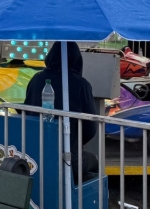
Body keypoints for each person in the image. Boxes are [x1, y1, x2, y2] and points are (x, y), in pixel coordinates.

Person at [24, 42, 98, 179]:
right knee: (94, 161)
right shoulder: (81, 84)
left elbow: (27, 112)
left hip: (34, 154)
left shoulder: (36, 79)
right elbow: (90, 129)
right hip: (69, 157)